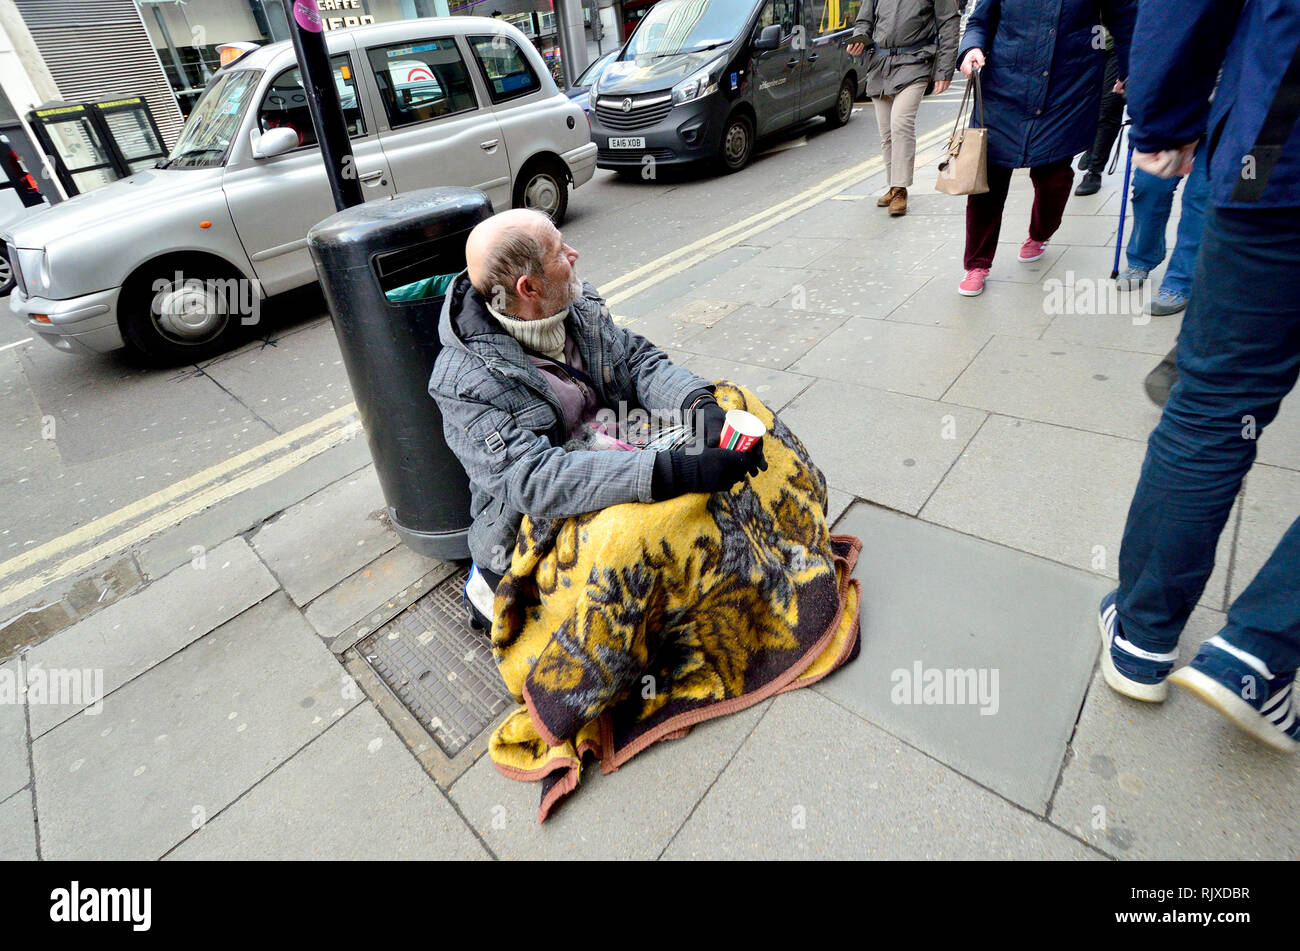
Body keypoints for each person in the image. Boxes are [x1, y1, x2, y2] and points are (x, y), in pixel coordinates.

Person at [1098, 0, 1300, 754]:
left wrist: (1164, 120)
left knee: (1214, 404)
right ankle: (1262, 648)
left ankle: (1143, 636)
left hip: (1279, 137)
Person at [425, 209, 764, 628]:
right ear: (528, 287)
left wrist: (700, 407)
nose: (574, 253)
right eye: (558, 252)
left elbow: (637, 362)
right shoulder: (461, 383)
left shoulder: (576, 302)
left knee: (738, 405)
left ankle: (742, 567)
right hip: (535, 515)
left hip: (621, 439)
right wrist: (670, 472)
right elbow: (534, 480)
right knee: (632, 534)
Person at [954, 0, 1135, 297]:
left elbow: (1124, 20)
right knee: (988, 179)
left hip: (1068, 87)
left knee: (1054, 177)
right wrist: (971, 48)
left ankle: (1040, 233)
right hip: (1003, 85)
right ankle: (977, 264)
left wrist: (1129, 71)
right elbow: (979, 22)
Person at [847, 0, 960, 217]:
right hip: (880, 65)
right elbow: (864, 20)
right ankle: (893, 185)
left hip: (915, 61)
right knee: (887, 133)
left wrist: (944, 70)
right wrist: (859, 37)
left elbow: (949, 24)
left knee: (901, 124)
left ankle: (900, 189)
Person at [1114, 138, 1210, 317]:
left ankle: (1180, 280)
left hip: (1223, 122)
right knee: (1148, 186)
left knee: (1199, 199)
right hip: (1172, 123)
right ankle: (1141, 257)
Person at [1073, 36, 1124, 196]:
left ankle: (1094, 171)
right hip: (1091, 43)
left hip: (1120, 44)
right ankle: (1092, 146)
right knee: (1088, 103)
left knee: (1108, 107)